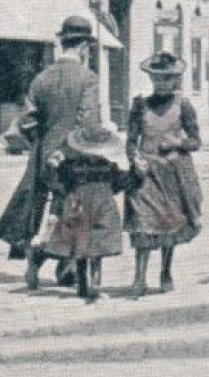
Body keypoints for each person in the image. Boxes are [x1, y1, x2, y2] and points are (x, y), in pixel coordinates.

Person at [0, 15, 101, 288]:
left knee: (43, 208)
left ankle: (33, 260)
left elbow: (28, 120)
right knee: (74, 209)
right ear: (84, 47)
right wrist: (70, 149)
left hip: (43, 155)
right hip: (74, 156)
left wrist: (41, 145)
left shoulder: (41, 79)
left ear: (63, 43)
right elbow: (87, 123)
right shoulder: (88, 79)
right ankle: (66, 267)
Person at [124, 52, 205, 298]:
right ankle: (139, 277)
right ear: (151, 79)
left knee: (169, 225)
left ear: (175, 80)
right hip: (146, 173)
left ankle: (166, 271)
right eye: (157, 79)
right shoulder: (140, 105)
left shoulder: (184, 106)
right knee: (143, 224)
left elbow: (196, 142)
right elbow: (130, 141)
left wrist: (178, 143)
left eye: (166, 79)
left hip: (173, 174)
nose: (161, 84)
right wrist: (134, 158)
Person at [38, 124, 140, 303]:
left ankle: (88, 285)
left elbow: (54, 183)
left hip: (81, 206)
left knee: (83, 246)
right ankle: (91, 285)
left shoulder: (71, 166)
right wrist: (137, 173)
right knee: (92, 249)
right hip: (100, 208)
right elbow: (122, 183)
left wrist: (51, 168)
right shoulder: (107, 166)